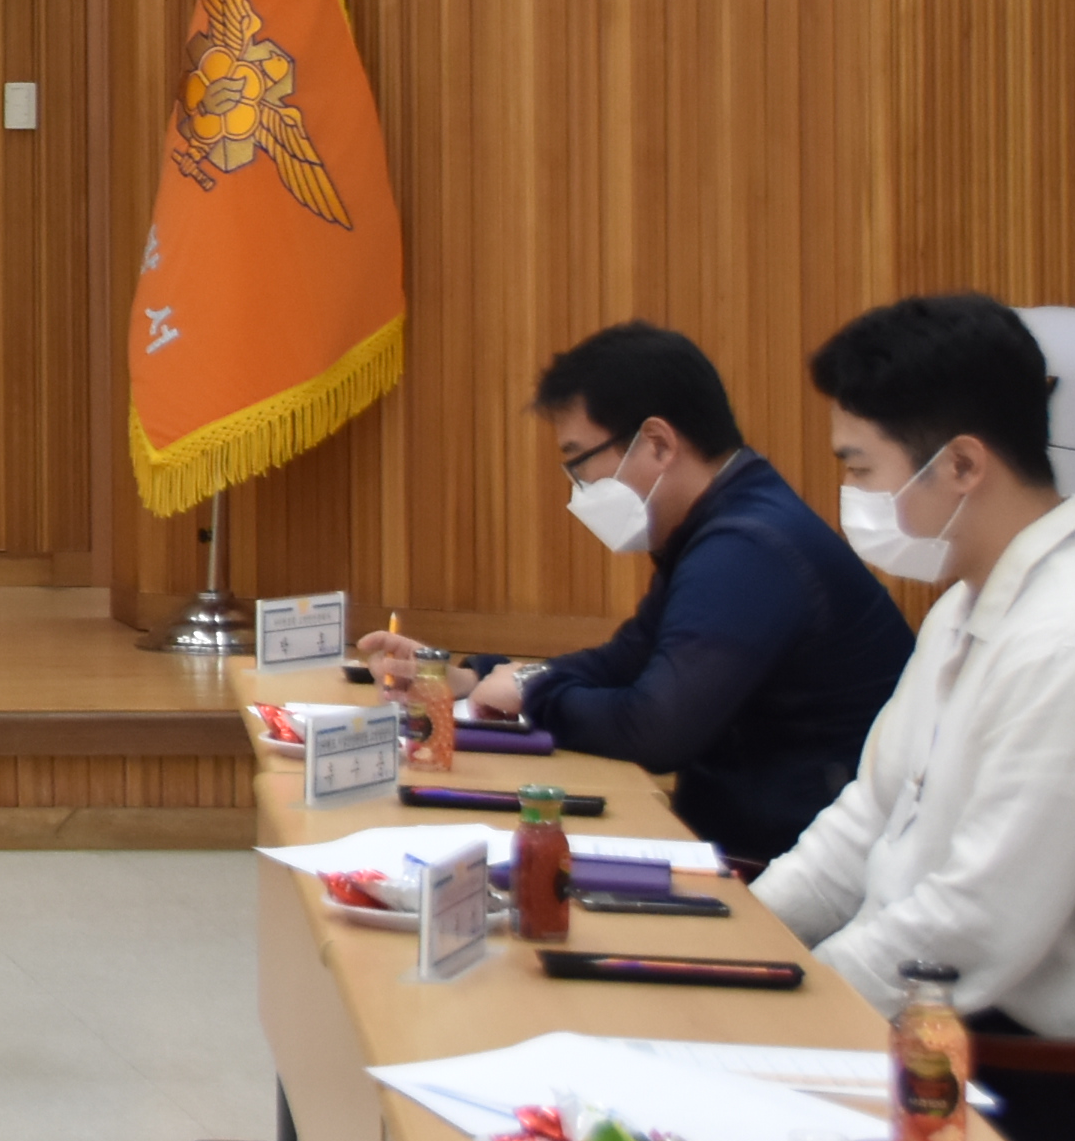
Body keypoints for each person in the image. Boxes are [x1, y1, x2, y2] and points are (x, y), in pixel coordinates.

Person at [753, 293, 1075, 1141]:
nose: (853, 497)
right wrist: (747, 946)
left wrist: (798, 1004)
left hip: (1039, 1084)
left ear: (961, 464)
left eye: (862, 468)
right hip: (938, 1027)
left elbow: (975, 924)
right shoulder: (971, 604)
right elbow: (866, 820)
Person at [352, 321, 909, 864]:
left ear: (658, 444)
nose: (579, 490)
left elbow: (655, 730)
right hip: (748, 846)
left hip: (785, 869)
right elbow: (625, 661)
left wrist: (533, 692)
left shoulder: (746, 549)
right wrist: (469, 679)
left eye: (579, 463)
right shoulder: (721, 523)